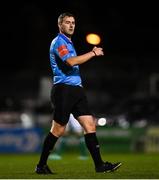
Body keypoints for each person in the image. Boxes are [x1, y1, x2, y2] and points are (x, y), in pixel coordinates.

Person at [35, 12, 122, 174]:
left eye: (73, 22)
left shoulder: (68, 42)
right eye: (67, 22)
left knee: (90, 125)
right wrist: (92, 53)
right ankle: (41, 165)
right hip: (64, 90)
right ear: (60, 25)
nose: (71, 25)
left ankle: (100, 165)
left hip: (76, 90)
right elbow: (70, 61)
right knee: (58, 130)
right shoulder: (59, 42)